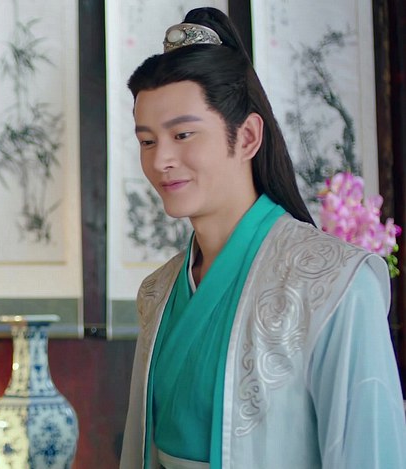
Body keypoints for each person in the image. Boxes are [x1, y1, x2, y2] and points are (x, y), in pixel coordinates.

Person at [120, 7, 406, 469]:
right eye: (148, 141)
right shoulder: (158, 292)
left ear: (248, 136)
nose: (160, 161)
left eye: (184, 134)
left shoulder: (336, 285)